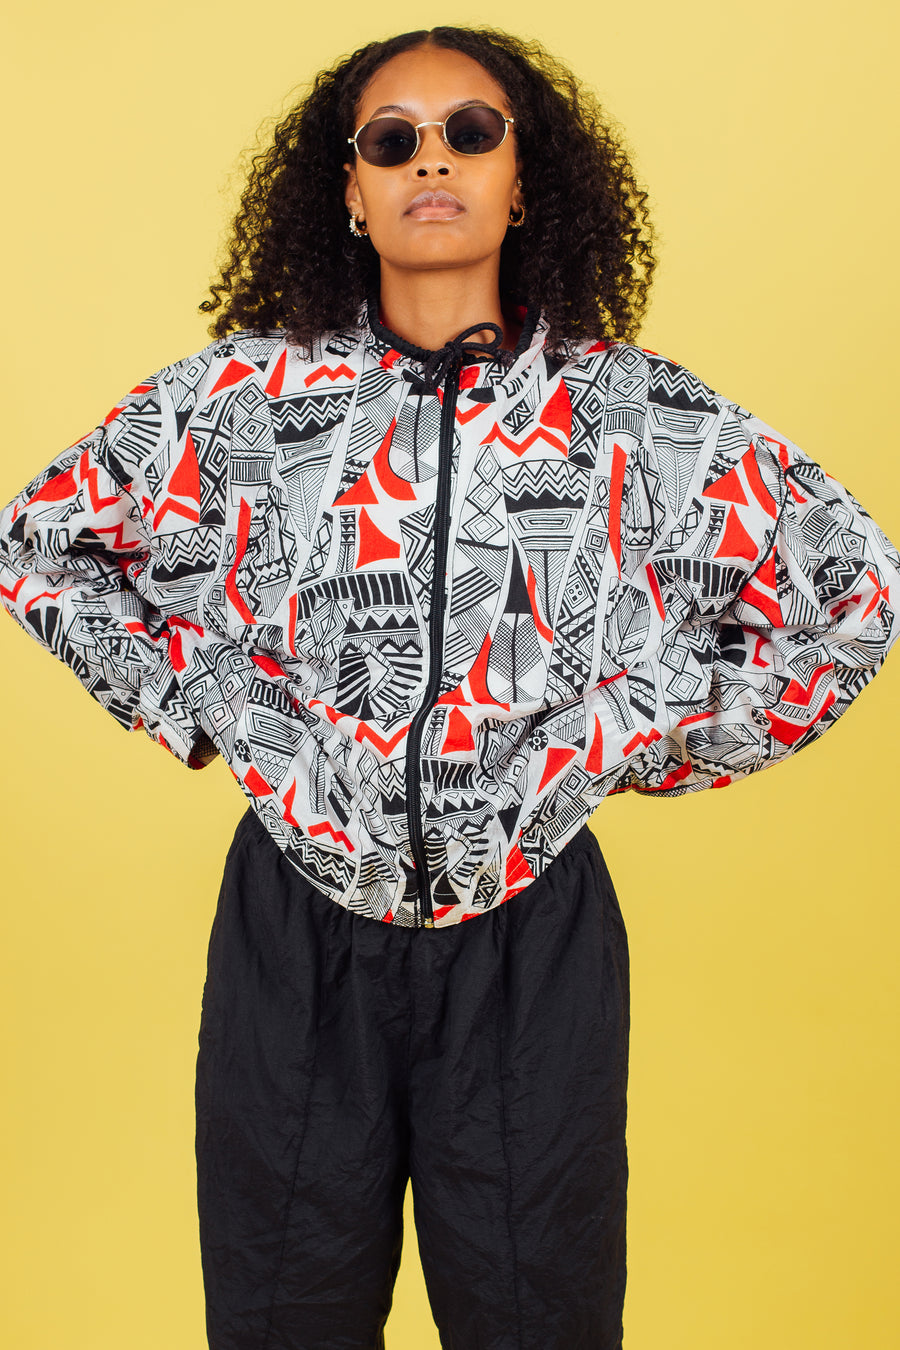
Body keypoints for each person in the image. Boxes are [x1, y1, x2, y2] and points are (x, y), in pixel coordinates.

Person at [1, 23, 897, 1350]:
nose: (433, 161)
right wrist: (209, 700)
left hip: (532, 939)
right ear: (350, 192)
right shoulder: (243, 400)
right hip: (295, 929)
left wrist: (631, 732)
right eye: (392, 140)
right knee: (281, 1321)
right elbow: (40, 544)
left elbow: (853, 593)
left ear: (524, 182)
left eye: (471, 133)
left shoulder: (635, 418)